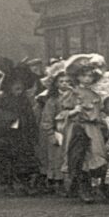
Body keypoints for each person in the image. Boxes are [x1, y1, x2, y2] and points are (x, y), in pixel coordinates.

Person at [61, 55, 108, 203]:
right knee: (80, 156)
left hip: (93, 128)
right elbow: (62, 113)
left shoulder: (95, 95)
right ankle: (83, 188)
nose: (87, 79)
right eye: (83, 76)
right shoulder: (73, 93)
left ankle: (94, 188)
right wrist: (74, 110)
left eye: (90, 76)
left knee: (96, 157)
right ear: (77, 77)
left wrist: (102, 118)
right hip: (79, 127)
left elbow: (99, 110)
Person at [0, 66, 40, 195]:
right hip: (7, 135)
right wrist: (10, 119)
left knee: (24, 160)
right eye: (16, 87)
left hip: (23, 134)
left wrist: (32, 130)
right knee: (8, 160)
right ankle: (9, 184)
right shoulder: (3, 99)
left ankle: (25, 183)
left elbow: (30, 116)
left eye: (21, 87)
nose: (19, 89)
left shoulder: (25, 100)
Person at [38, 64, 73, 194]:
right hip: (59, 132)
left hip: (72, 130)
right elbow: (47, 119)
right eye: (61, 81)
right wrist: (51, 134)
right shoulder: (53, 100)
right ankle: (59, 183)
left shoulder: (75, 97)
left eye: (68, 81)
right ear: (56, 84)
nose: (65, 84)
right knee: (57, 158)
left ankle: (71, 183)